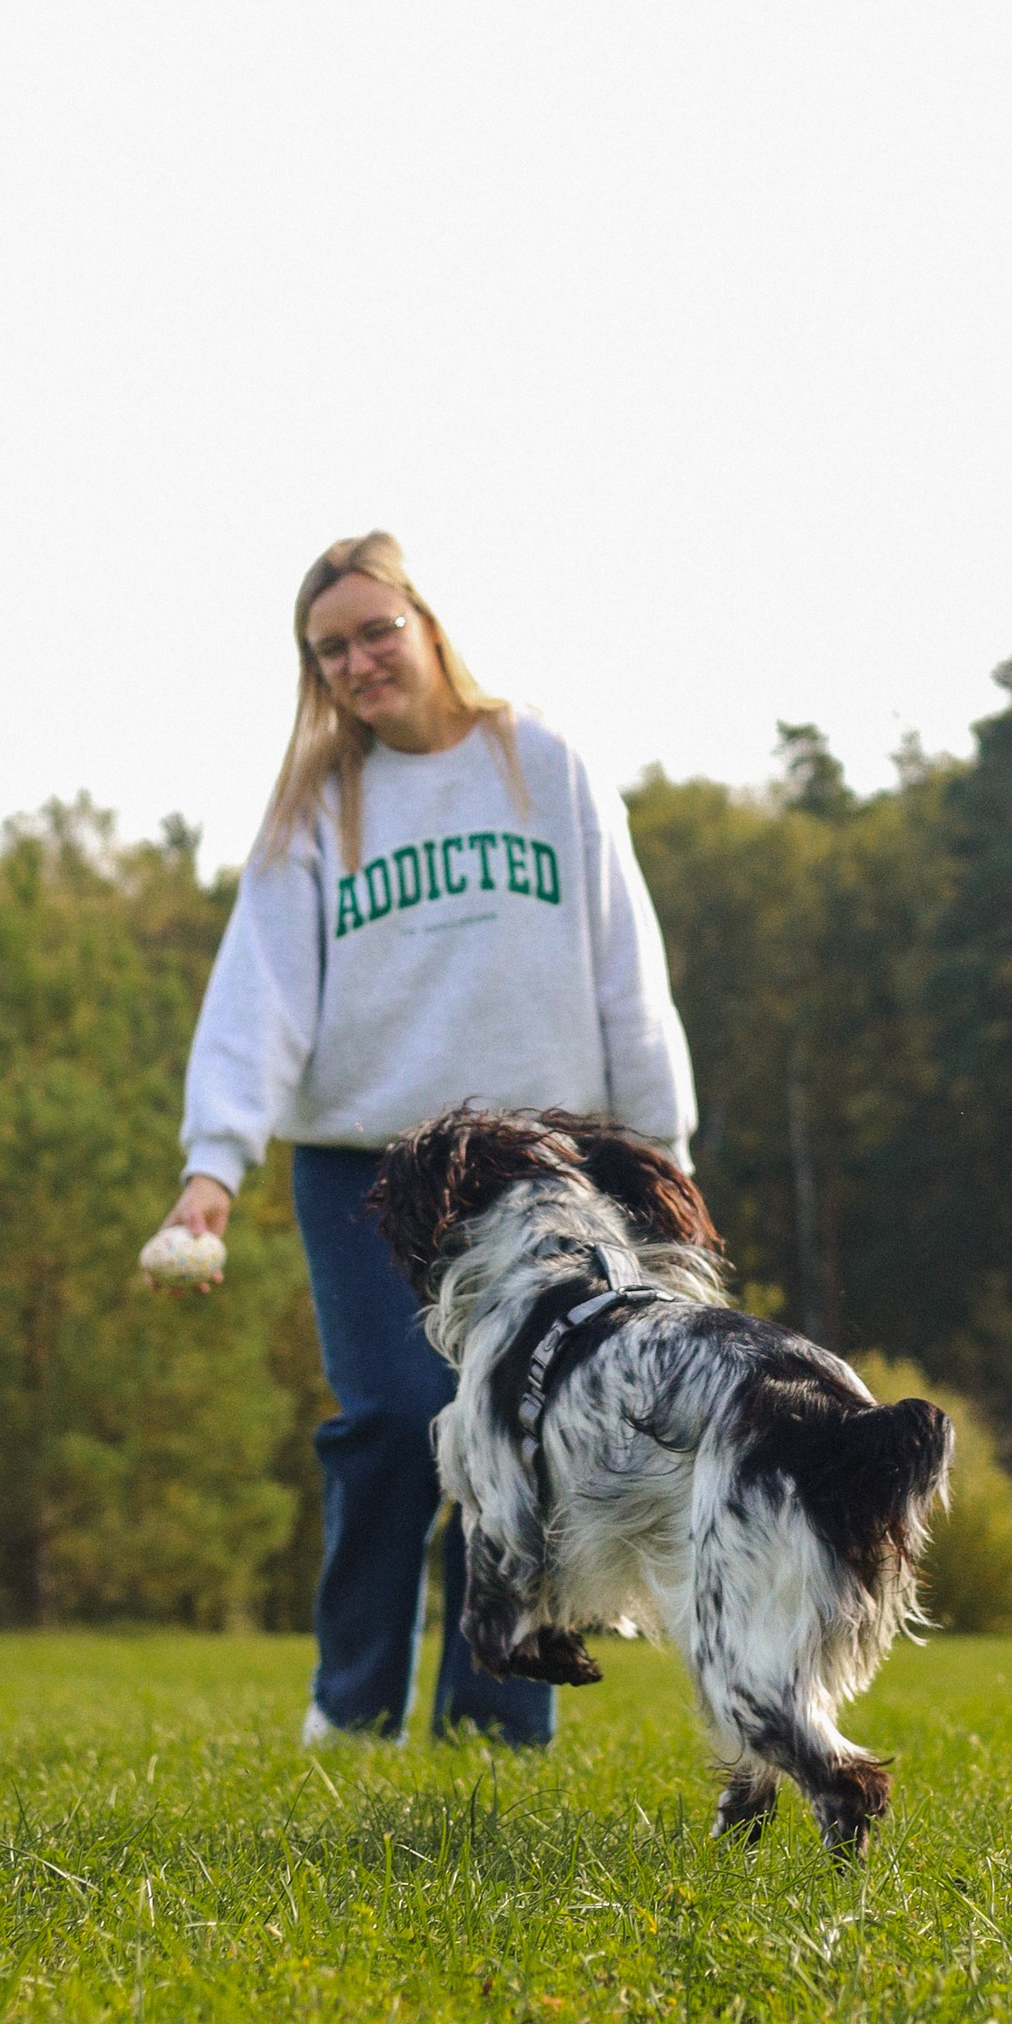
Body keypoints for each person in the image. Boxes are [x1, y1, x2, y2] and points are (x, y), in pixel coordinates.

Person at [156, 531, 697, 1749]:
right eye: (328, 651)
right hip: (370, 1170)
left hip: (542, 1176)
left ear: (428, 624)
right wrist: (211, 1169)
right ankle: (353, 1709)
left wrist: (660, 1156)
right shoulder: (316, 807)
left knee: (528, 1435)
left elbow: (628, 970)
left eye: (374, 632)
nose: (356, 663)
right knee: (397, 1426)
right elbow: (256, 998)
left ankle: (494, 1730)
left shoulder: (542, 767)